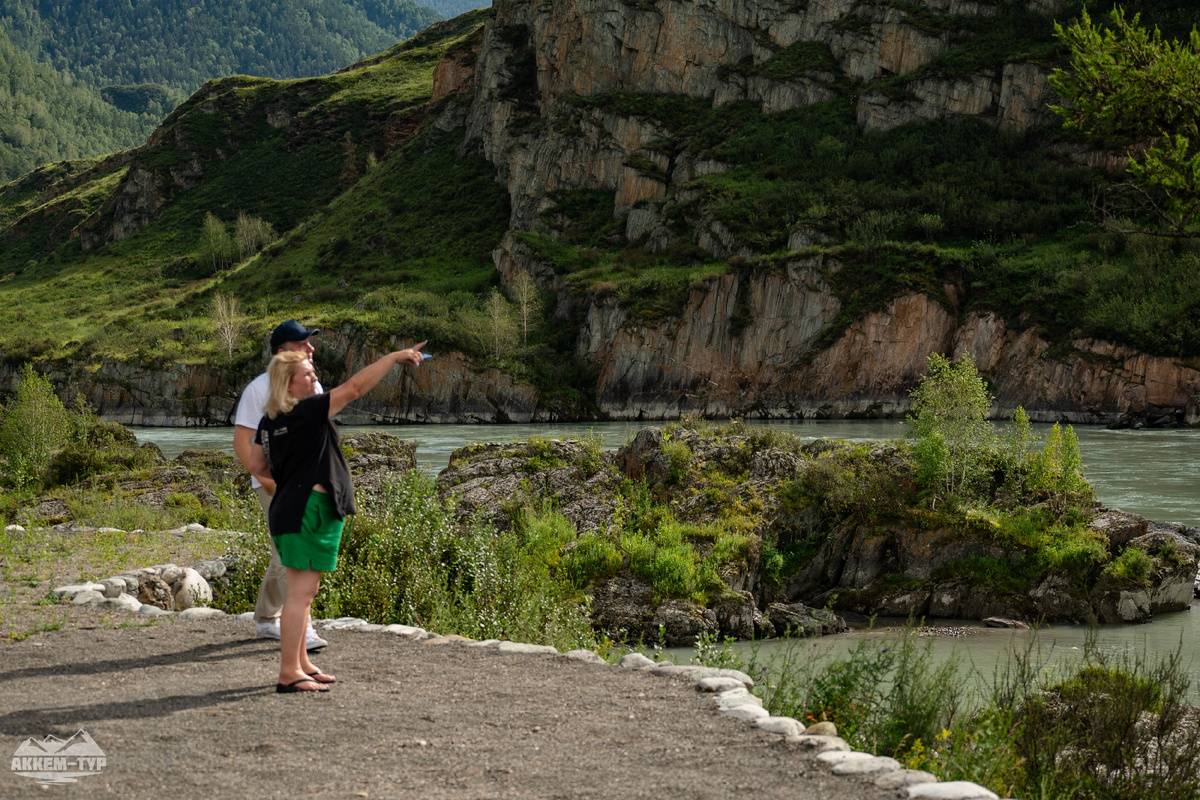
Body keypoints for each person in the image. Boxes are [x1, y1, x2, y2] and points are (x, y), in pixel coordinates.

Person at [245, 341, 425, 693]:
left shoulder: (271, 420)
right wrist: (394, 356)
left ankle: (301, 664)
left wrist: (288, 482)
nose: (315, 379)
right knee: (300, 594)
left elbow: (256, 465)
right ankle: (288, 673)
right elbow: (356, 388)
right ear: (288, 383)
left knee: (303, 592)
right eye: (307, 374)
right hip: (308, 512)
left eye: (314, 373)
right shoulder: (308, 411)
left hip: (290, 510)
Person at [232, 320, 328, 651]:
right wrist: (268, 482)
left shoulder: (312, 385)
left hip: (308, 484)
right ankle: (303, 630)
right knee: (294, 554)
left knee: (284, 551)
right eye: (303, 343)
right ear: (282, 351)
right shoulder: (259, 389)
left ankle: (266, 618)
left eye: (310, 343)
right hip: (275, 484)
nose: (311, 348)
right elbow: (242, 441)